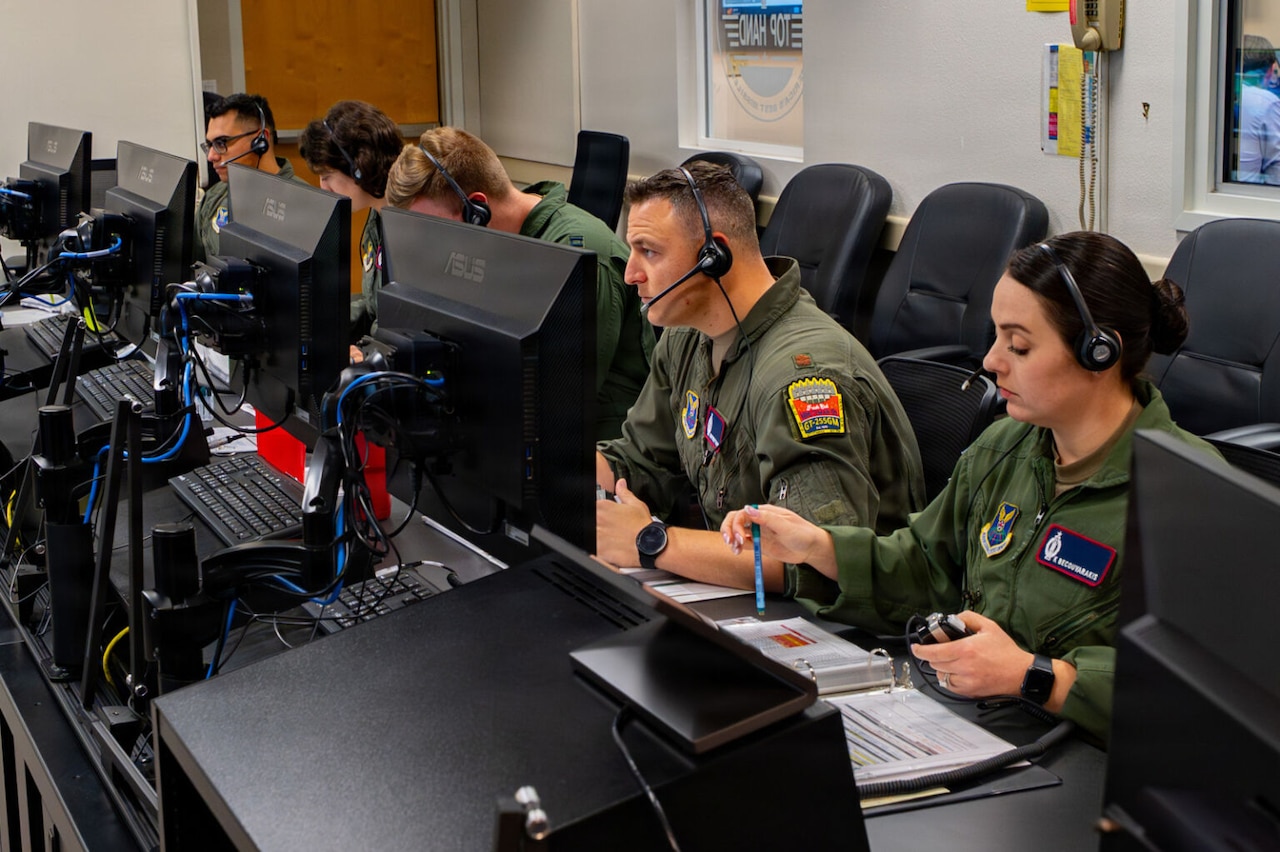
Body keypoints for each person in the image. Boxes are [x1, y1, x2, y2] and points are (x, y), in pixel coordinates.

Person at [721, 231, 1219, 744]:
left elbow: (1201, 695)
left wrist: (1036, 675)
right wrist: (818, 547)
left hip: (1086, 762)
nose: (991, 361)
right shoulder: (1005, 446)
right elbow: (927, 566)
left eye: (1019, 344)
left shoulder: (1189, 496)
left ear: (1099, 352)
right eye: (997, 336)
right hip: (976, 722)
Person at [596, 162, 926, 585]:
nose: (630, 274)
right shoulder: (687, 336)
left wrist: (651, 542)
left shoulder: (802, 379)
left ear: (712, 257)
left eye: (650, 251)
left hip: (841, 625)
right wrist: (555, 475)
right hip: (745, 589)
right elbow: (641, 459)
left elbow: (812, 560)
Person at [384, 127, 653, 440]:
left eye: (434, 230)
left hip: (595, 447)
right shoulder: (500, 242)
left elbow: (561, 394)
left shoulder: (574, 254)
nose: (431, 246)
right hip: (519, 427)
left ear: (477, 210)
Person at [299, 100, 404, 352]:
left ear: (360, 167)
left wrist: (368, 354)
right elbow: (373, 308)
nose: (323, 187)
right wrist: (318, 324)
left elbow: (414, 327)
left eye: (326, 177)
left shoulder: (415, 225)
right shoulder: (376, 220)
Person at [196, 93, 301, 261]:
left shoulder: (304, 204)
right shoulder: (215, 197)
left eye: (221, 143)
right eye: (209, 145)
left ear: (261, 140)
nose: (211, 156)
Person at [1235, 35, 1280, 185]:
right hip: (1252, 196)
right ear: (1270, 70)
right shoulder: (1266, 102)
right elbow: (1277, 173)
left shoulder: (1215, 95)